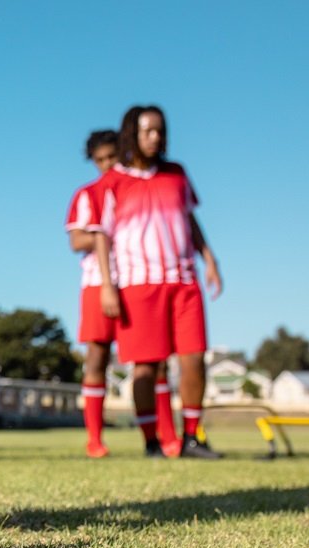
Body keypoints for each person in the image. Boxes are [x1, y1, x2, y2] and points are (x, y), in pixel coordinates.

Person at [89, 105, 224, 459]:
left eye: (160, 130)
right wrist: (107, 285)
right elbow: (101, 236)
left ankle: (192, 436)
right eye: (148, 131)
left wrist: (209, 259)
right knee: (146, 365)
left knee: (193, 358)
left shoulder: (176, 174)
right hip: (138, 283)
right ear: (131, 135)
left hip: (183, 280)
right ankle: (151, 441)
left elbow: (190, 219)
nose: (156, 138)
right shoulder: (112, 182)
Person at [66, 130, 179, 458]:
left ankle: (165, 436)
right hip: (97, 285)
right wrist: (112, 232)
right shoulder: (88, 194)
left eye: (111, 158)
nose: (106, 166)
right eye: (99, 160)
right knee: (97, 356)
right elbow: (77, 240)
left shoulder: (141, 189)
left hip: (138, 281)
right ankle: (95, 439)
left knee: (154, 361)